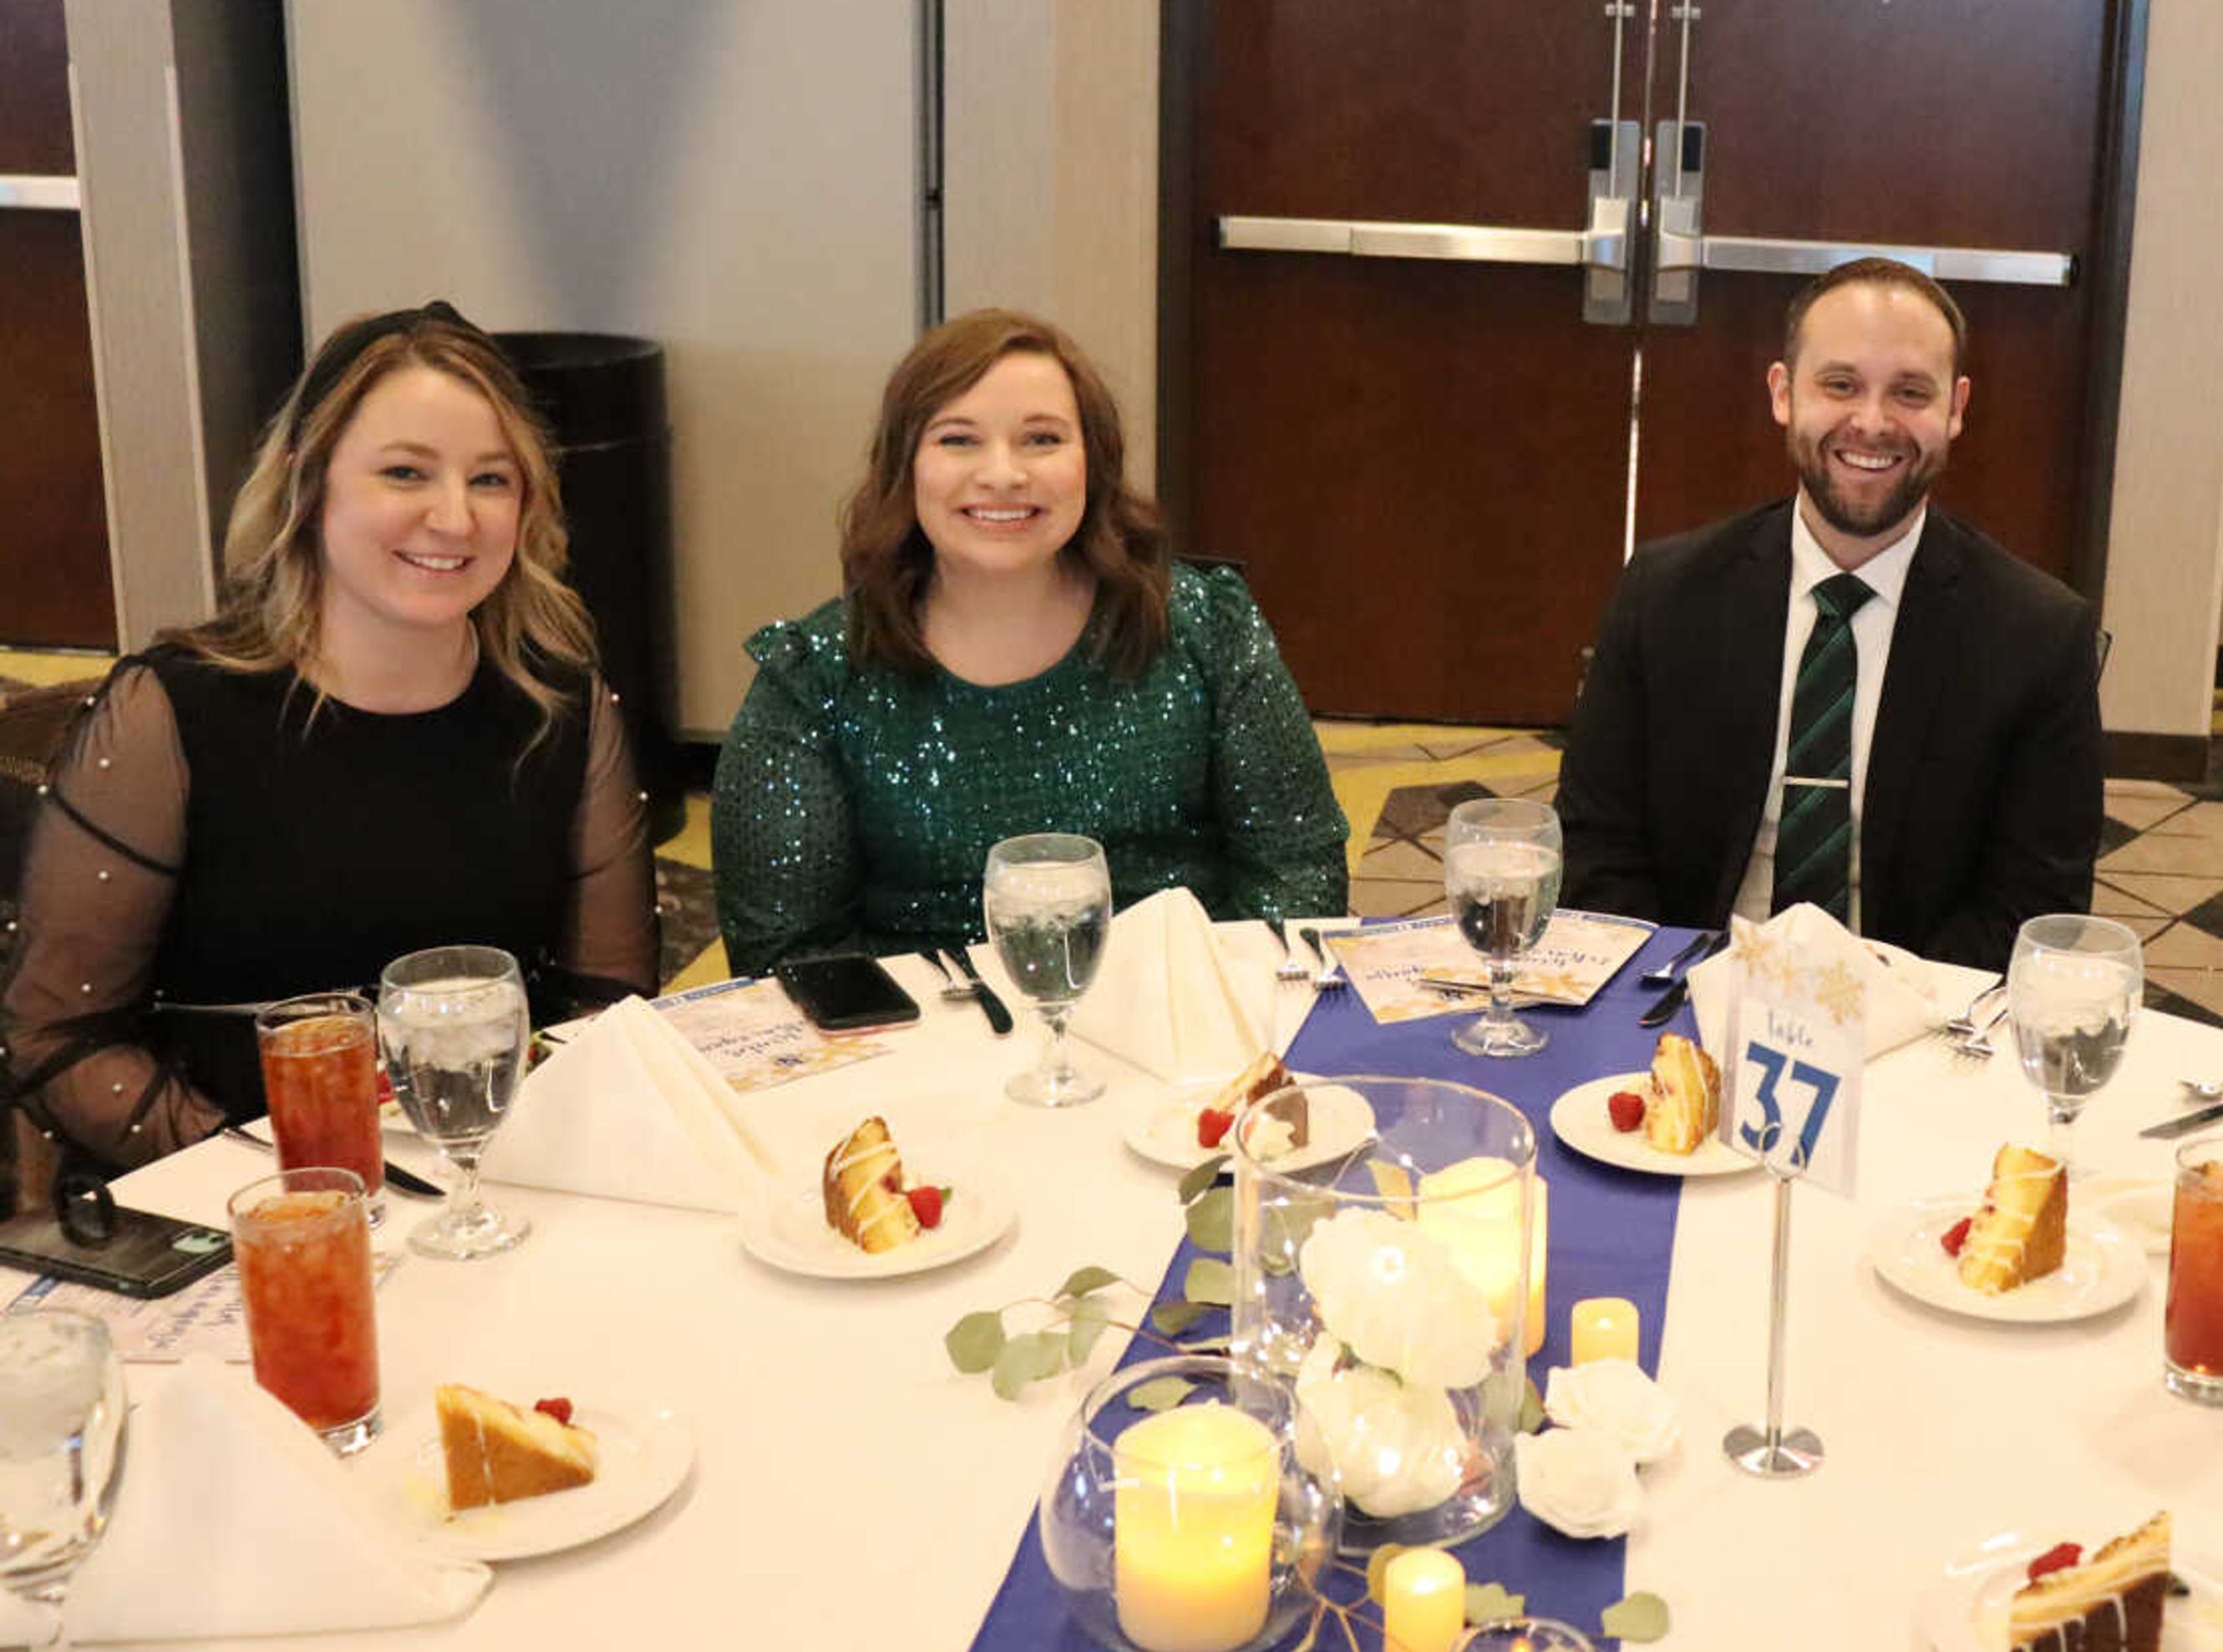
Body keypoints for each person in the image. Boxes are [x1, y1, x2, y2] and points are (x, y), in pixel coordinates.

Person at [1, 303, 659, 1170]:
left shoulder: (561, 707)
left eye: (491, 479)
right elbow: (57, 1035)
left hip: (486, 1174)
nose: (455, 518)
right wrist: (284, 1179)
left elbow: (606, 1006)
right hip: (234, 1192)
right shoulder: (172, 713)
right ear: (307, 481)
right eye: (405, 472)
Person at [714, 309, 1347, 978]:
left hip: (1186, 1022)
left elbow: (1298, 869)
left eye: (1041, 439)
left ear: (1092, 462)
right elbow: (786, 956)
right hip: (924, 1046)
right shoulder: (814, 678)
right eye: (958, 440)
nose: (1004, 474)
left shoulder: (1200, 623)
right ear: (906, 467)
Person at [1555, 256, 2103, 972]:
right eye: (1839, 384)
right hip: (1683, 1005)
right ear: (1783, 393)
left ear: (1956, 408)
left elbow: (2033, 905)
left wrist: (1878, 1020)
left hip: (1916, 1029)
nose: (1871, 423)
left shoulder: (2038, 636)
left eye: (1910, 392)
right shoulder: (1664, 596)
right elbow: (1596, 850)